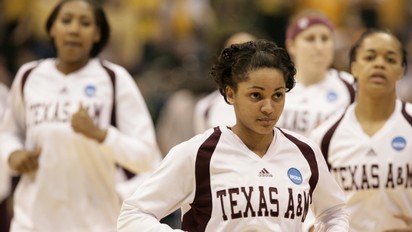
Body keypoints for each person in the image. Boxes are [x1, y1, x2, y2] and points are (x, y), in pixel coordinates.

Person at [117, 39, 349, 231]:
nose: (269, 107)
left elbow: (334, 211)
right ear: (230, 94)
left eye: (277, 95)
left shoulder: (304, 152)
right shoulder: (198, 153)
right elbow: (133, 215)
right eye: (256, 96)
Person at [0, 0, 161, 231]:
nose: (74, 29)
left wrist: (101, 135)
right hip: (32, 221)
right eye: (66, 21)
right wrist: (13, 154)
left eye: (85, 23)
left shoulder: (114, 79)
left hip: (96, 222)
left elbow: (146, 156)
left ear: (97, 34)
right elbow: (8, 132)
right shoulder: (28, 76)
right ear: (52, 29)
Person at [310, 28, 412, 231]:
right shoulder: (325, 136)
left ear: (401, 71)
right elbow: (311, 209)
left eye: (390, 59)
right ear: (354, 67)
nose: (379, 64)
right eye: (370, 57)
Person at [276, 9, 355, 138]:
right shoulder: (274, 84)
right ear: (291, 46)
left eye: (325, 39)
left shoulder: (351, 86)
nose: (319, 47)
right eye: (310, 39)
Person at [193, 31, 257, 134]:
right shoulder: (206, 107)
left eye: (250, 52)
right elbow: (202, 146)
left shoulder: (274, 102)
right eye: (236, 52)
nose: (244, 58)